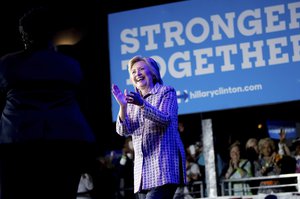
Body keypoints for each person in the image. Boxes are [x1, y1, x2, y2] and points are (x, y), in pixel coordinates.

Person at [0, 6, 96, 199]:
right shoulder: (70, 65)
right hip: (67, 141)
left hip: (19, 139)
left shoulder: (7, 63)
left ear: (26, 35)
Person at [111, 55, 186, 199]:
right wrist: (123, 107)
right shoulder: (132, 101)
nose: (137, 74)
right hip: (142, 172)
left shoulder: (166, 92)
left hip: (163, 167)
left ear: (152, 73)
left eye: (141, 69)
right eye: (133, 71)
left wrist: (142, 104)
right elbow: (123, 131)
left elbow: (165, 119)